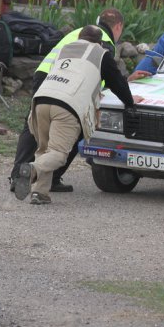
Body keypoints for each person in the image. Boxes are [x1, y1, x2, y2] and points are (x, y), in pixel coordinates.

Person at [13, 26, 142, 204]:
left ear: (79, 37)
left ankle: (40, 193)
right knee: (58, 154)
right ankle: (32, 170)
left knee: (44, 150)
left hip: (41, 100)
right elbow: (117, 82)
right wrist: (130, 102)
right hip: (67, 105)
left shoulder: (64, 49)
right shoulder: (101, 54)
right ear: (99, 42)